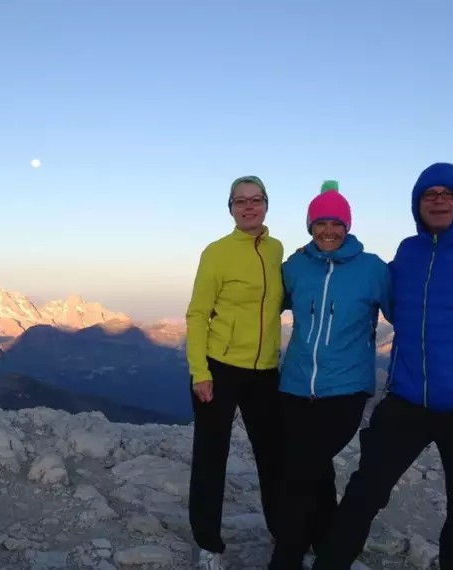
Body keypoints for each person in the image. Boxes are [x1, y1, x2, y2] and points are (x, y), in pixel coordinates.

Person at [311, 162, 453, 570]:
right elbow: (373, 287)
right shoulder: (408, 253)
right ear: (418, 204)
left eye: (448, 194)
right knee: (365, 491)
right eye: (431, 194)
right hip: (407, 400)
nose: (439, 200)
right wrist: (332, 244)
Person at [268, 181, 392, 570]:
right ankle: (323, 538)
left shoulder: (372, 269)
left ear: (348, 227)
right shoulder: (296, 266)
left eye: (336, 224)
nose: (328, 231)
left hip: (345, 389)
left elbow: (404, 315)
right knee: (313, 466)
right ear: (309, 226)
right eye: (320, 223)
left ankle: (286, 556)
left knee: (300, 471)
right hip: (294, 386)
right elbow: (265, 302)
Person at [185, 175, 284, 570]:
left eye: (256, 199)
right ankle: (208, 544)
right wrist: (199, 372)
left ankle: (283, 530)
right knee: (211, 459)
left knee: (273, 457)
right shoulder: (217, 253)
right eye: (240, 201)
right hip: (219, 368)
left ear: (266, 205)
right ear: (230, 208)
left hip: (265, 371)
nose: (249, 206)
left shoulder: (277, 251)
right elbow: (196, 314)